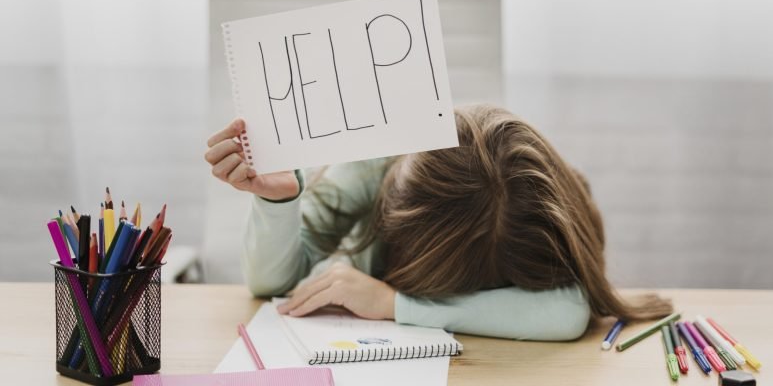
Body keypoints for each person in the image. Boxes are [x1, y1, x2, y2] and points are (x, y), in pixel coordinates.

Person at [204, 105, 672, 341]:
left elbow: (568, 313)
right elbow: (270, 284)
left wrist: (395, 305)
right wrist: (279, 202)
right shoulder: (375, 168)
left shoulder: (529, 213)